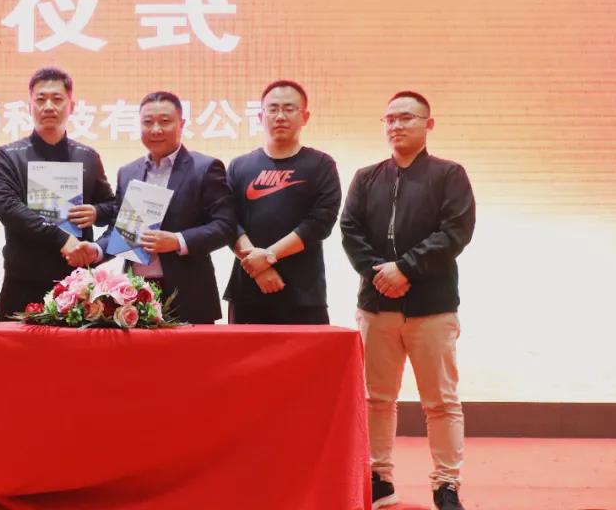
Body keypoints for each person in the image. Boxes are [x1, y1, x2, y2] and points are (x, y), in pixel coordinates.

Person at [340, 91, 476, 510]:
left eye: (406, 118)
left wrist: (405, 269)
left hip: (432, 307)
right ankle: (379, 478)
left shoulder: (449, 174)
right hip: (376, 306)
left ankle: (446, 485)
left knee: (441, 401)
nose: (396, 126)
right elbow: (350, 231)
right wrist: (380, 273)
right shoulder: (366, 177)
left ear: (428, 124)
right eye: (390, 119)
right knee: (376, 399)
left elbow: (455, 233)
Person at [95, 91, 237, 324]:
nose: (156, 129)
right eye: (147, 122)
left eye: (165, 121)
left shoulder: (205, 168)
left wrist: (177, 241)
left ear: (181, 124)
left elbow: (225, 226)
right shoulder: (127, 172)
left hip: (188, 294)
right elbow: (119, 230)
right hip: (134, 294)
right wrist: (96, 251)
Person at [0, 67, 115, 320]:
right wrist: (61, 238)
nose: (49, 106)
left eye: (57, 99)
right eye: (41, 99)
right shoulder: (8, 155)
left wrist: (96, 212)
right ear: (29, 106)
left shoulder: (87, 156)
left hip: (77, 283)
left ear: (72, 106)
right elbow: (9, 209)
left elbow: (113, 209)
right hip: (23, 282)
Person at [224, 80, 341, 324]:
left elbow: (320, 223)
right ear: (260, 116)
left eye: (289, 109)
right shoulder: (239, 166)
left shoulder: (321, 164)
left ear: (305, 117)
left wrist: (268, 256)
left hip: (303, 293)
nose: (280, 116)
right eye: (273, 109)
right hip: (248, 291)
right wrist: (259, 268)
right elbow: (227, 221)